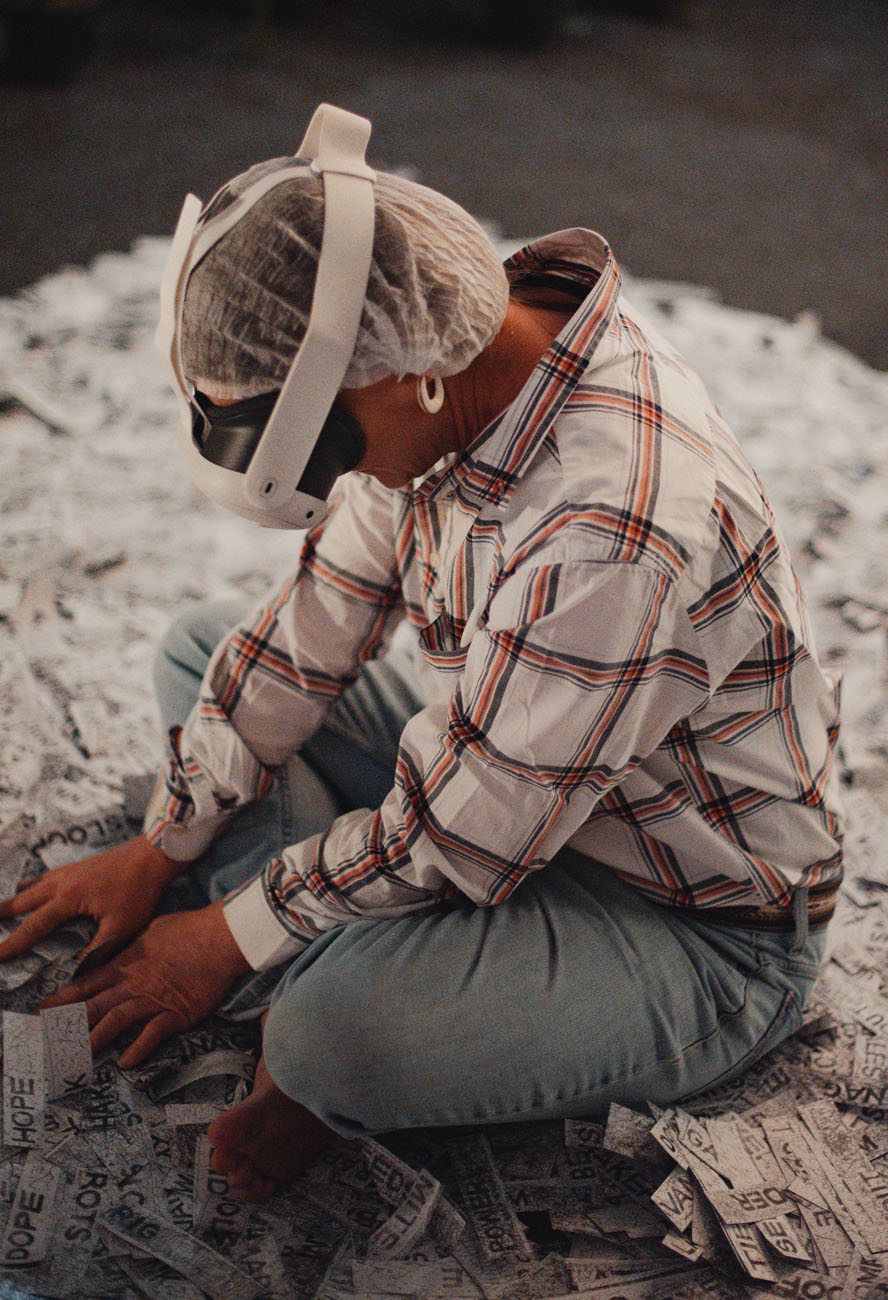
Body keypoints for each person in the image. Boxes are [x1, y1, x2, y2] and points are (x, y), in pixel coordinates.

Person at [0, 132, 843, 1204]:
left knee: (327, 1040)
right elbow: (317, 620)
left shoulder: (611, 531)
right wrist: (166, 841)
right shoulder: (456, 365)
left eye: (330, 444)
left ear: (410, 379)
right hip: (530, 784)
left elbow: (460, 835)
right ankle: (341, 953)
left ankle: (319, 994)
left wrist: (222, 934)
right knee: (202, 647)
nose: (334, 476)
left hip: (686, 916)